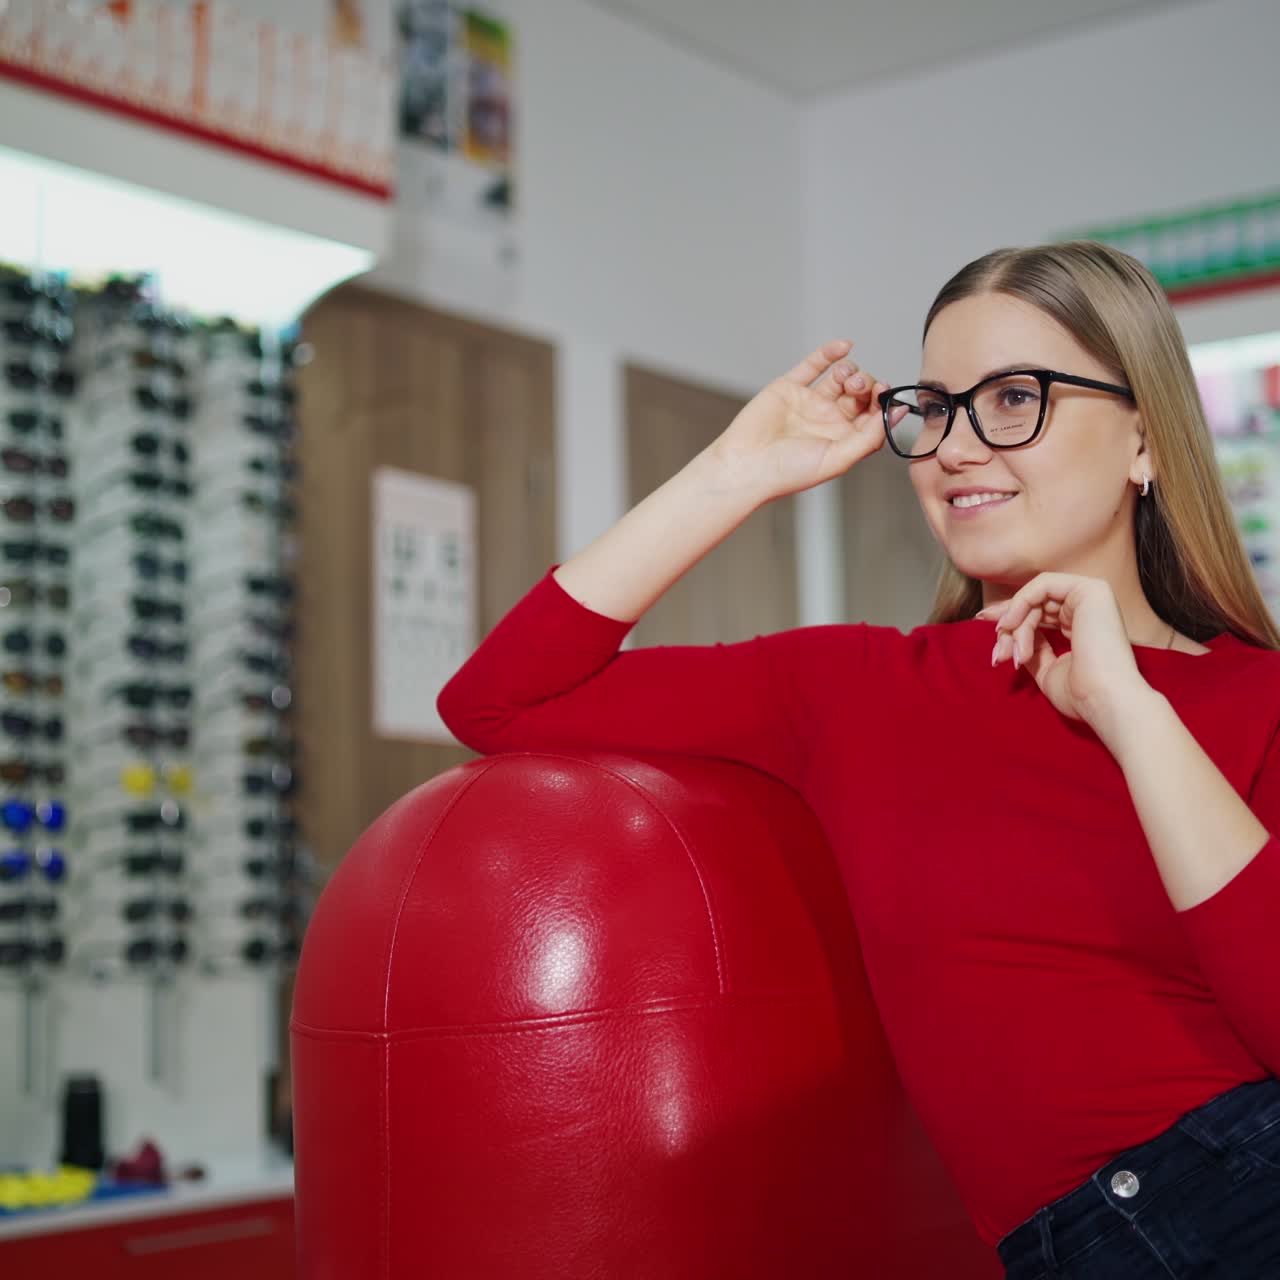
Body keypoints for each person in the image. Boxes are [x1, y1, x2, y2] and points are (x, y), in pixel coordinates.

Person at [436, 241, 1280, 1277]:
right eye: (933, 407)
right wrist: (734, 473)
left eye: (1015, 396)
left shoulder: (1256, 696)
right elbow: (498, 695)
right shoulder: (859, 689)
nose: (956, 447)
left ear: (1142, 438)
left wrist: (1130, 710)